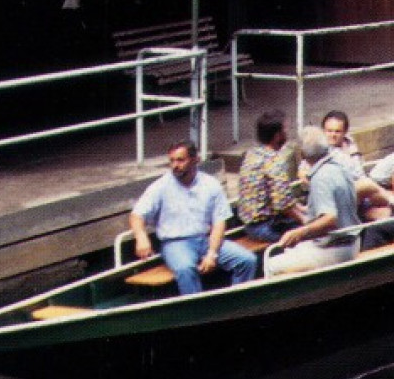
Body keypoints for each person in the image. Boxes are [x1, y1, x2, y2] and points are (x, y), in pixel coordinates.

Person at [127, 140, 257, 295]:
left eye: (180, 160)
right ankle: (200, 313)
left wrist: (212, 254)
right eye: (172, 161)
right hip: (175, 244)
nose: (175, 165)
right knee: (185, 269)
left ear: (196, 160)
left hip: (205, 240)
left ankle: (239, 304)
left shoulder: (210, 184)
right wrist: (141, 237)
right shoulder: (160, 186)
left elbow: (219, 223)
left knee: (247, 260)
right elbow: (137, 215)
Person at [267, 126, 365, 276]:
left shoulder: (320, 178)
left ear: (302, 154)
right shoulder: (339, 166)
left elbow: (330, 218)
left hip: (336, 248)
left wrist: (300, 232)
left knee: (271, 264)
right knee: (289, 249)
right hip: (350, 241)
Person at [236, 110, 306, 243]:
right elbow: (283, 205)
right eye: (286, 129)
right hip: (265, 226)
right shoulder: (274, 162)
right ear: (277, 135)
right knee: (312, 234)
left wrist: (301, 208)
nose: (288, 133)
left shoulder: (252, 154)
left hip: (250, 225)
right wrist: (306, 222)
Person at [320, 109, 394, 218]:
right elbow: (305, 168)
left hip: (360, 196)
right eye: (329, 131)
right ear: (323, 131)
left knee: (387, 215)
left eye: (337, 131)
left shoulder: (349, 144)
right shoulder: (320, 149)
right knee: (367, 185)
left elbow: (359, 170)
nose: (333, 135)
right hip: (339, 197)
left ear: (344, 132)